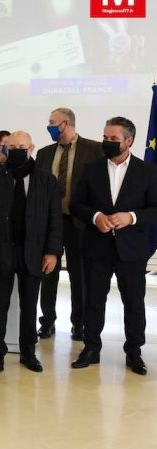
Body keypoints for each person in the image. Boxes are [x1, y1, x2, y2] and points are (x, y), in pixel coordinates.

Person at [70, 117, 157, 375]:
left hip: (131, 249)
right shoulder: (90, 168)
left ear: (129, 141)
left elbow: (154, 208)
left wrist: (131, 217)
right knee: (94, 300)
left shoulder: (148, 172)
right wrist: (96, 217)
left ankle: (134, 352)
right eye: (105, 137)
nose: (106, 142)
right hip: (97, 246)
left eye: (113, 139)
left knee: (134, 302)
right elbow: (77, 204)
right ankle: (91, 348)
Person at [0, 131, 62, 374]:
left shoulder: (47, 180)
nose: (17, 151)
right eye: (11, 147)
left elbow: (55, 220)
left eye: (22, 146)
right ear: (4, 150)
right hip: (0, 252)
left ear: (31, 148)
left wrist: (52, 252)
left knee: (30, 306)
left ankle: (28, 353)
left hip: (34, 254)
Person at [35, 108, 103, 340]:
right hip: (50, 223)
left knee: (80, 275)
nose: (49, 126)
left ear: (65, 123)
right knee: (47, 273)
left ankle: (80, 323)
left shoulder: (94, 149)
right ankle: (47, 321)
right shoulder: (44, 153)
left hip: (80, 224)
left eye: (52, 122)